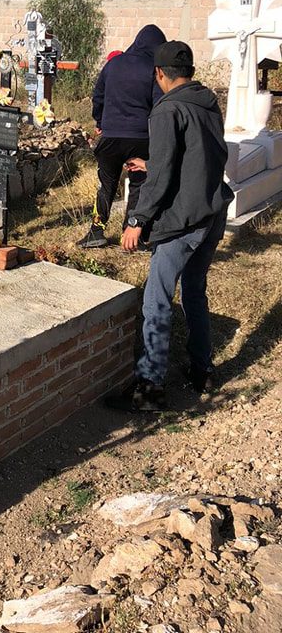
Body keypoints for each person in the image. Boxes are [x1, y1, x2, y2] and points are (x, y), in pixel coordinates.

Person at [109, 41, 233, 411]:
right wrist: (153, 164)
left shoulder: (167, 111)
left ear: (159, 74)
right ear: (190, 72)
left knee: (156, 298)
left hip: (185, 219)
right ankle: (202, 370)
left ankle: (149, 387)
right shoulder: (206, 103)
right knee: (194, 291)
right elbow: (201, 155)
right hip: (213, 211)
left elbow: (162, 179)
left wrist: (137, 220)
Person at [79, 24, 167, 248]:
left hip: (111, 137)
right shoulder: (154, 69)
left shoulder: (114, 64)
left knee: (106, 184)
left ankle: (96, 231)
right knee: (138, 184)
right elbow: (159, 106)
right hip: (140, 138)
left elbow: (98, 95)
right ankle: (130, 233)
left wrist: (100, 121)